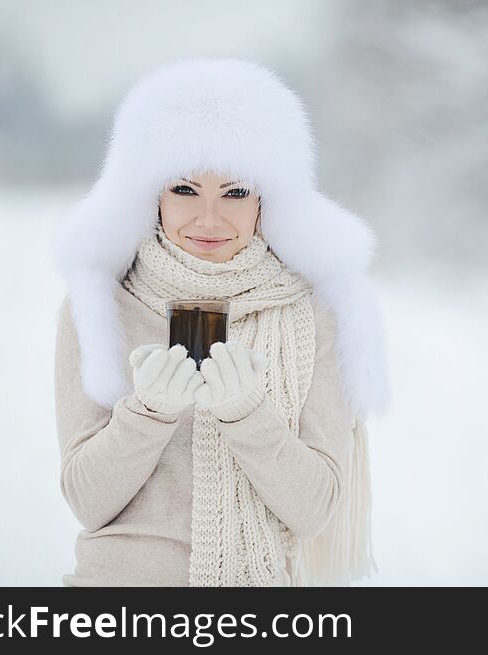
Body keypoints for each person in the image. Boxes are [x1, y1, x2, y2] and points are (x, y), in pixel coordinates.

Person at [51, 57, 391, 586]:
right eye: (184, 189)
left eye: (235, 192)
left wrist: (248, 416)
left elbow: (315, 508)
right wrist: (147, 414)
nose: (209, 219)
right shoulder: (101, 309)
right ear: (150, 194)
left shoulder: (314, 316)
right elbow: (87, 499)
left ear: (266, 200)